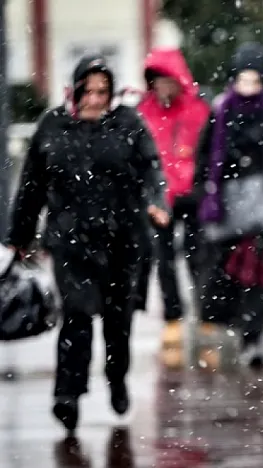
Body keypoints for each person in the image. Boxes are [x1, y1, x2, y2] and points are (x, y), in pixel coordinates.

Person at [6, 55, 169, 432]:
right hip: (70, 241)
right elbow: (32, 186)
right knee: (77, 317)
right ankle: (68, 394)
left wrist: (156, 202)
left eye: (103, 91)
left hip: (122, 240)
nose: (95, 99)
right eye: (88, 91)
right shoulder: (53, 126)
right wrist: (18, 237)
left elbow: (152, 168)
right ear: (75, 90)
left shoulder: (128, 123)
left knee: (117, 321)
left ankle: (116, 377)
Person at [194, 42, 263, 371]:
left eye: (255, 80)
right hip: (225, 210)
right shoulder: (221, 109)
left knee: (261, 278)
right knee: (225, 276)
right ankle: (235, 326)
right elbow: (205, 156)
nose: (249, 87)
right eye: (243, 79)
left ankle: (253, 338)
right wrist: (207, 194)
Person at [136, 47, 211, 368]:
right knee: (163, 260)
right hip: (160, 199)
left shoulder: (197, 109)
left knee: (199, 258)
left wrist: (199, 185)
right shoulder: (144, 112)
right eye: (157, 81)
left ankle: (205, 312)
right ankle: (173, 317)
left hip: (191, 196)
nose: (163, 88)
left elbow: (207, 153)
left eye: (167, 80)